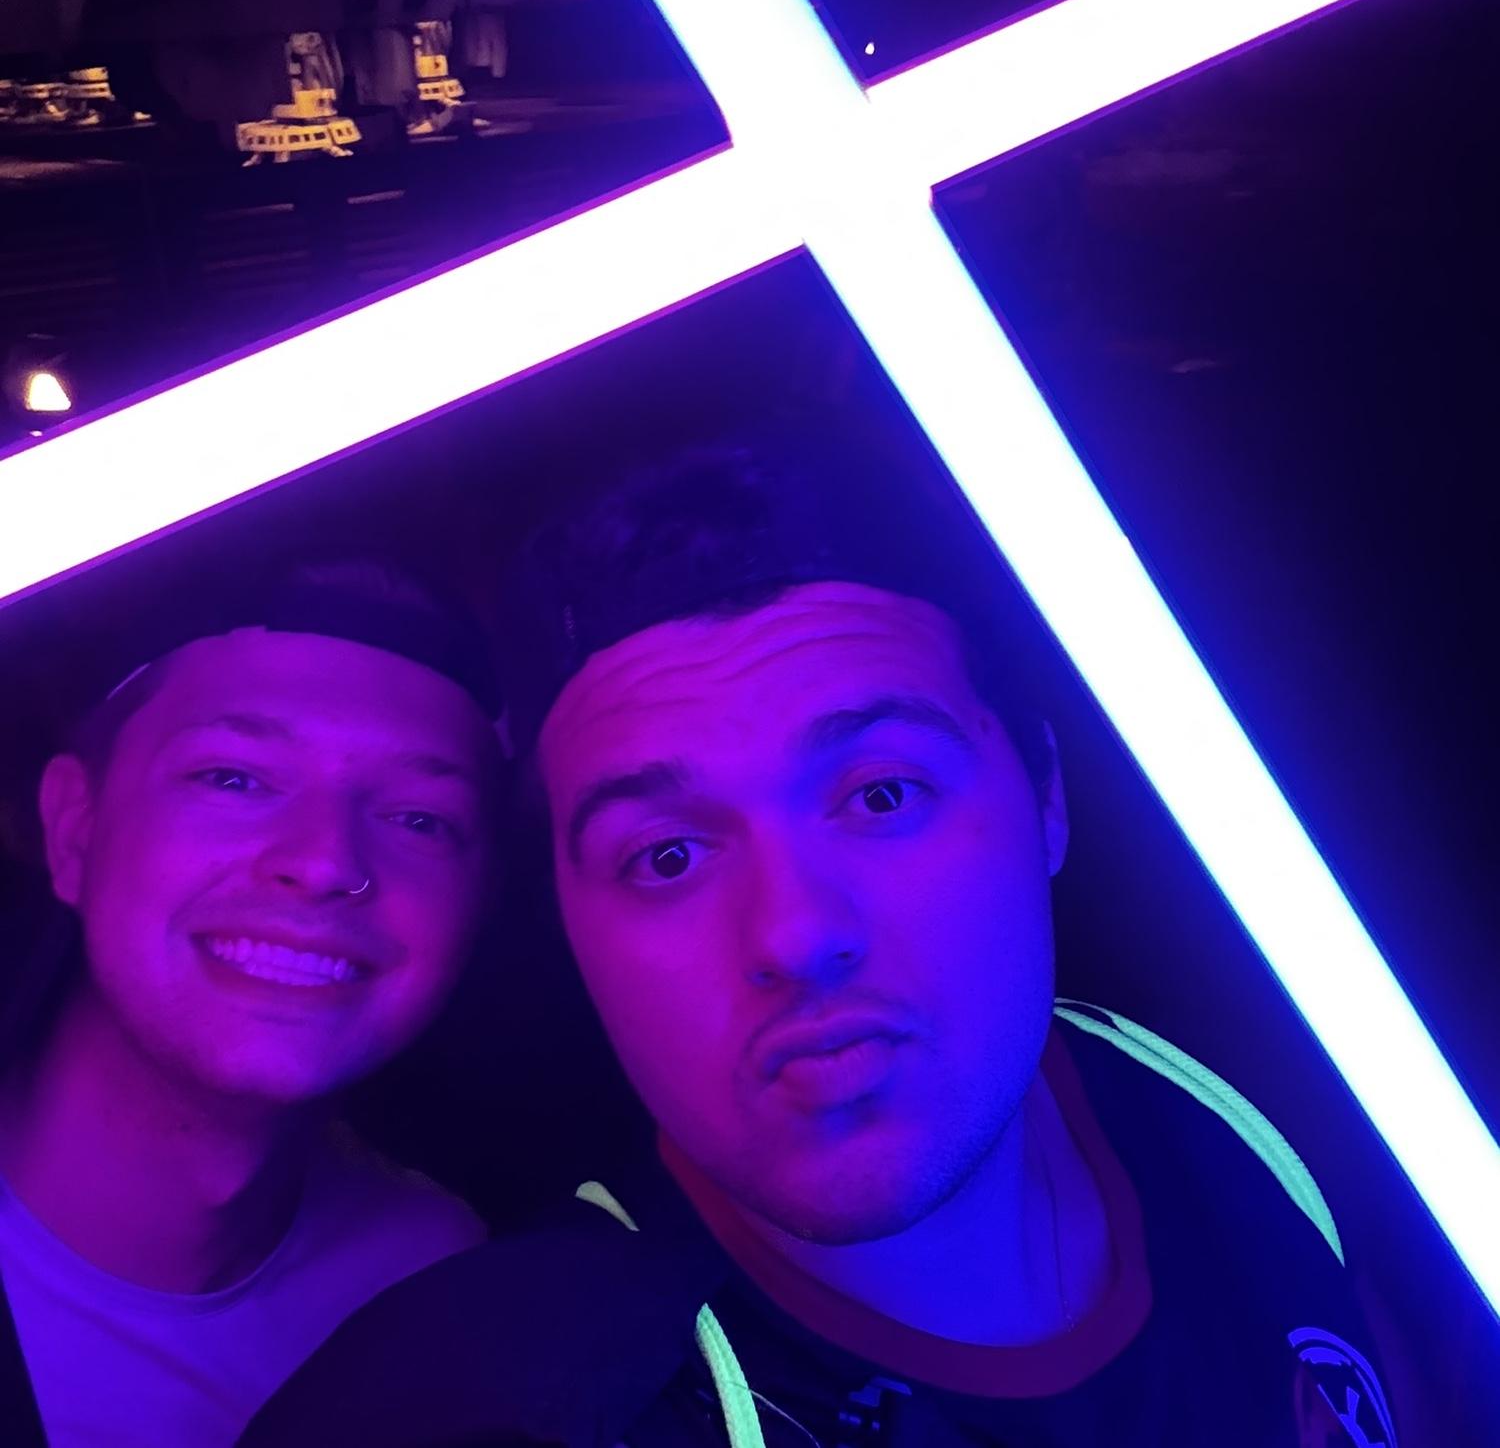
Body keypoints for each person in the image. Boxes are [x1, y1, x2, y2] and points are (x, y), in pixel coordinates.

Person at [243, 440, 1401, 1447]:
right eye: (668, 856)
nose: (797, 934)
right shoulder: (486, 1406)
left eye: (883, 795)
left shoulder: (1267, 1102)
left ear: (1045, 795)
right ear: (567, 923)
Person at [0, 556, 507, 1447]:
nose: (325, 862)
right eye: (234, 778)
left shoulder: (444, 1292)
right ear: (74, 829)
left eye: (419, 819)